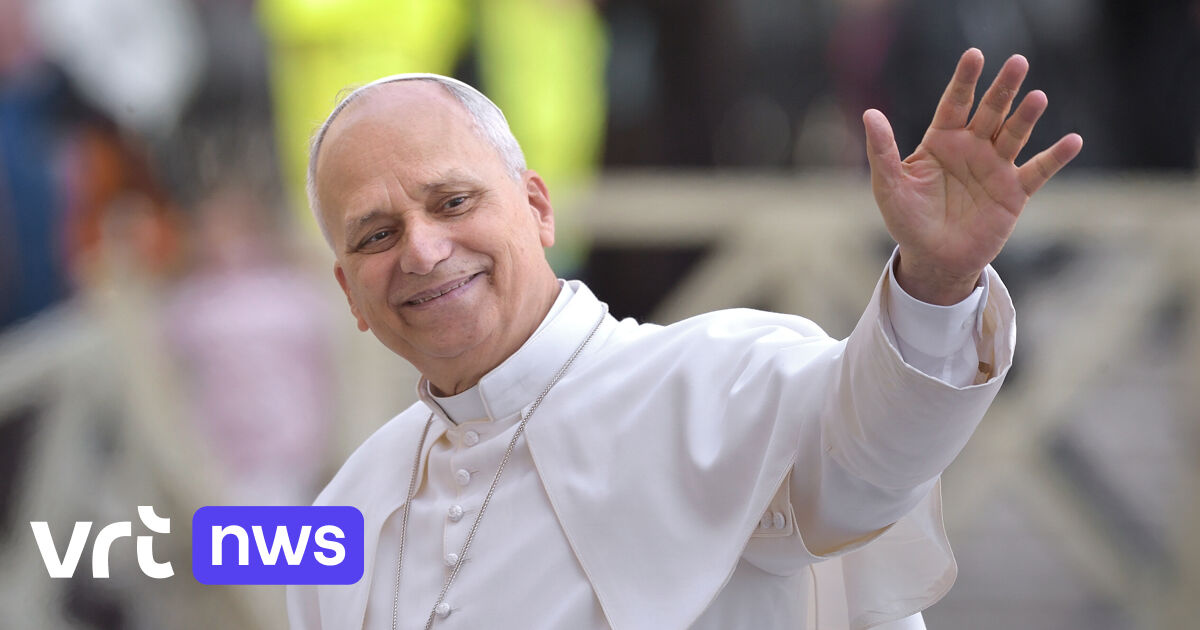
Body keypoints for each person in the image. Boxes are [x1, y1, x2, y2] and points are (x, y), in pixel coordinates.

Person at [288, 49, 1082, 629]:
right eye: (376, 234)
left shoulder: (719, 378)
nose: (423, 251)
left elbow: (869, 461)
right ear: (350, 293)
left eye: (454, 202)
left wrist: (936, 282)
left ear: (537, 208)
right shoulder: (350, 504)